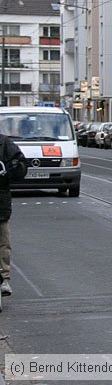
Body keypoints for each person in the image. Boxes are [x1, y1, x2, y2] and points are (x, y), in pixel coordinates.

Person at [0, 130, 27, 308]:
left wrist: (10, 172)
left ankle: (4, 278)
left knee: (3, 241)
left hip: (0, 202)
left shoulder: (4, 143)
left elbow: (20, 165)